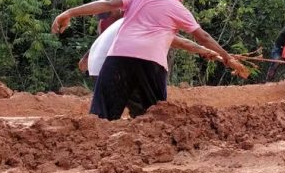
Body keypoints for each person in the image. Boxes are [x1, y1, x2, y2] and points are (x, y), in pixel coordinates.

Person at [52, 0, 248, 120]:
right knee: (155, 116)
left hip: (118, 58)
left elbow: (108, 3)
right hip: (151, 64)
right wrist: (226, 57)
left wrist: (69, 12)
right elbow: (202, 36)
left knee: (102, 116)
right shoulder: (179, 8)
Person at [83, 17, 221, 116]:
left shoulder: (134, 19)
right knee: (149, 111)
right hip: (114, 66)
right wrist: (206, 51)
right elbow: (181, 43)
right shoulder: (149, 23)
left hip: (97, 66)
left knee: (107, 114)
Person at [78, 0, 124, 72]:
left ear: (115, 6)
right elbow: (100, 42)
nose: (108, 18)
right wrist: (87, 57)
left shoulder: (129, 14)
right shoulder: (103, 23)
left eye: (108, 13)